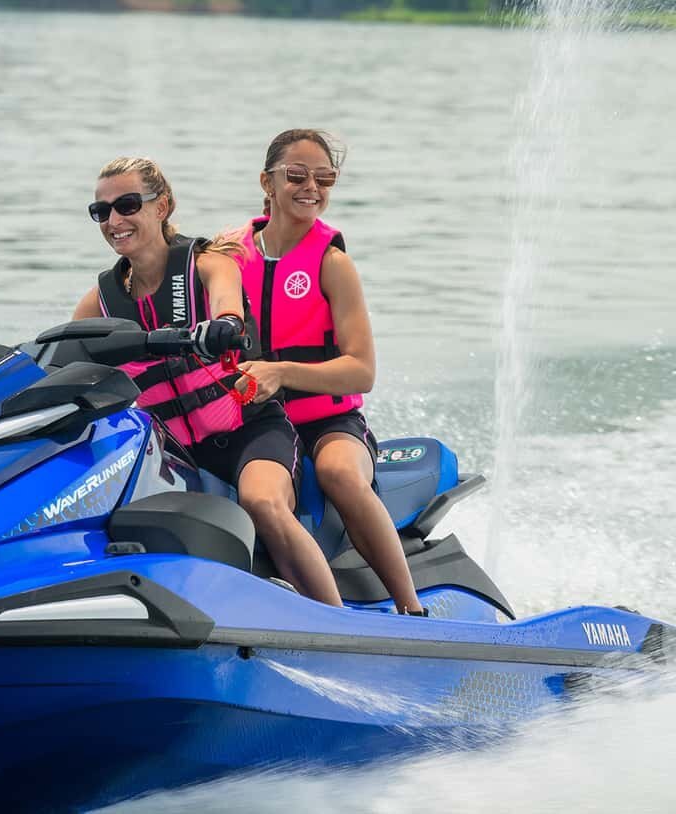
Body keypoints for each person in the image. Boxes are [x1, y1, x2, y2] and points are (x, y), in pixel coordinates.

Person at [72, 157, 343, 607]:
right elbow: (62, 357)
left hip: (250, 433)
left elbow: (227, 304)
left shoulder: (208, 265)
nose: (114, 221)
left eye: (127, 205)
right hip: (172, 455)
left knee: (262, 502)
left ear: (162, 206)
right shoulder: (98, 303)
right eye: (101, 211)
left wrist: (224, 325)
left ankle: (338, 619)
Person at [230, 130, 426, 616]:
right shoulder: (228, 255)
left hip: (328, 422)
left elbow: (361, 371)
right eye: (296, 175)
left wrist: (281, 372)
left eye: (325, 178)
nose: (311, 188)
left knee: (339, 472)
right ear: (267, 182)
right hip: (255, 422)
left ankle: (411, 609)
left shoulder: (333, 263)